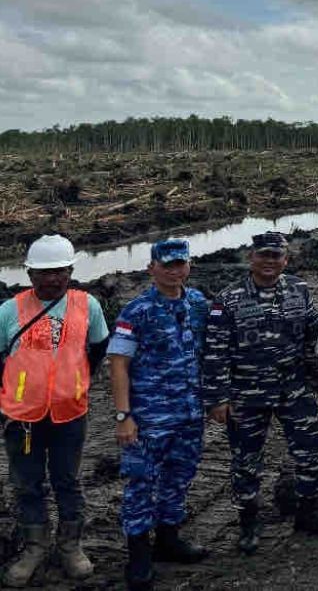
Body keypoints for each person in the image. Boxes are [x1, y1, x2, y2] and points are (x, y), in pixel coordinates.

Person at [203, 231, 318, 555]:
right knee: (246, 462)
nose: (269, 262)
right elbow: (215, 351)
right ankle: (248, 524)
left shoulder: (299, 290)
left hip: (293, 388)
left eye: (276, 256)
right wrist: (217, 398)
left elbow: (312, 338)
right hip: (246, 394)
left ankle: (307, 514)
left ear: (285, 260)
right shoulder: (229, 298)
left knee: (313, 453)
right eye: (264, 255)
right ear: (252, 257)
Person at [0, 235, 108, 587]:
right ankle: (34, 546)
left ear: (70, 271)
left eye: (59, 271)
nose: (51, 279)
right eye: (43, 273)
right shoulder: (8, 311)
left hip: (69, 413)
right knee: (27, 483)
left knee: (67, 481)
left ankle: (70, 546)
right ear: (30, 274)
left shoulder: (87, 305)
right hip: (23, 417)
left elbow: (97, 350)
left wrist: (73, 384)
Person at [109, 239, 210, 590]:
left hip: (189, 412)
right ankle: (138, 554)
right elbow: (118, 364)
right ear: (152, 267)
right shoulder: (136, 311)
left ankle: (169, 539)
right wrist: (124, 416)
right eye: (166, 264)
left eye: (180, 263)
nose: (174, 270)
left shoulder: (198, 304)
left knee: (179, 477)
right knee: (141, 483)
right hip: (148, 416)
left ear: (188, 266)